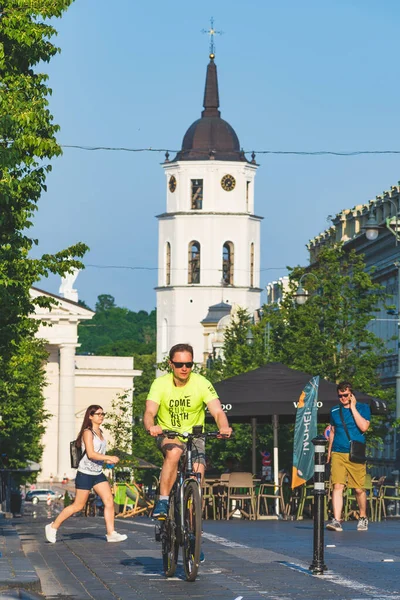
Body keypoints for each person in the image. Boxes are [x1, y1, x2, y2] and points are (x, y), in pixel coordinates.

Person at [144, 343, 232, 520]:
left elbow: (217, 411)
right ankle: (162, 500)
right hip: (170, 434)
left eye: (189, 365)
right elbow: (149, 412)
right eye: (179, 365)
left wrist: (223, 426)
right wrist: (151, 426)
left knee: (198, 474)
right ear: (171, 364)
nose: (184, 369)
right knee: (174, 453)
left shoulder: (202, 383)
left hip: (195, 436)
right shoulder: (160, 384)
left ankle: (192, 521)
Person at [45, 405, 127, 543]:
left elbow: (98, 455)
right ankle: (53, 527)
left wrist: (108, 462)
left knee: (109, 501)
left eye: (103, 413)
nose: (101, 416)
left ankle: (111, 533)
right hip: (85, 474)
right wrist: (108, 457)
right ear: (90, 416)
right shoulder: (87, 432)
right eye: (98, 414)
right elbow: (90, 454)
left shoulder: (100, 432)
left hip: (97, 473)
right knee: (78, 506)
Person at [326, 381, 371, 532]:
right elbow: (332, 431)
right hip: (338, 452)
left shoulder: (363, 408)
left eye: (345, 395)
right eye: (340, 396)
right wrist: (329, 451)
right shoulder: (334, 411)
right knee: (337, 486)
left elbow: (364, 427)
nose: (343, 398)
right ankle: (337, 520)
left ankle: (363, 516)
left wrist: (352, 407)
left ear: (351, 394)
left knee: (358, 489)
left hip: (355, 453)